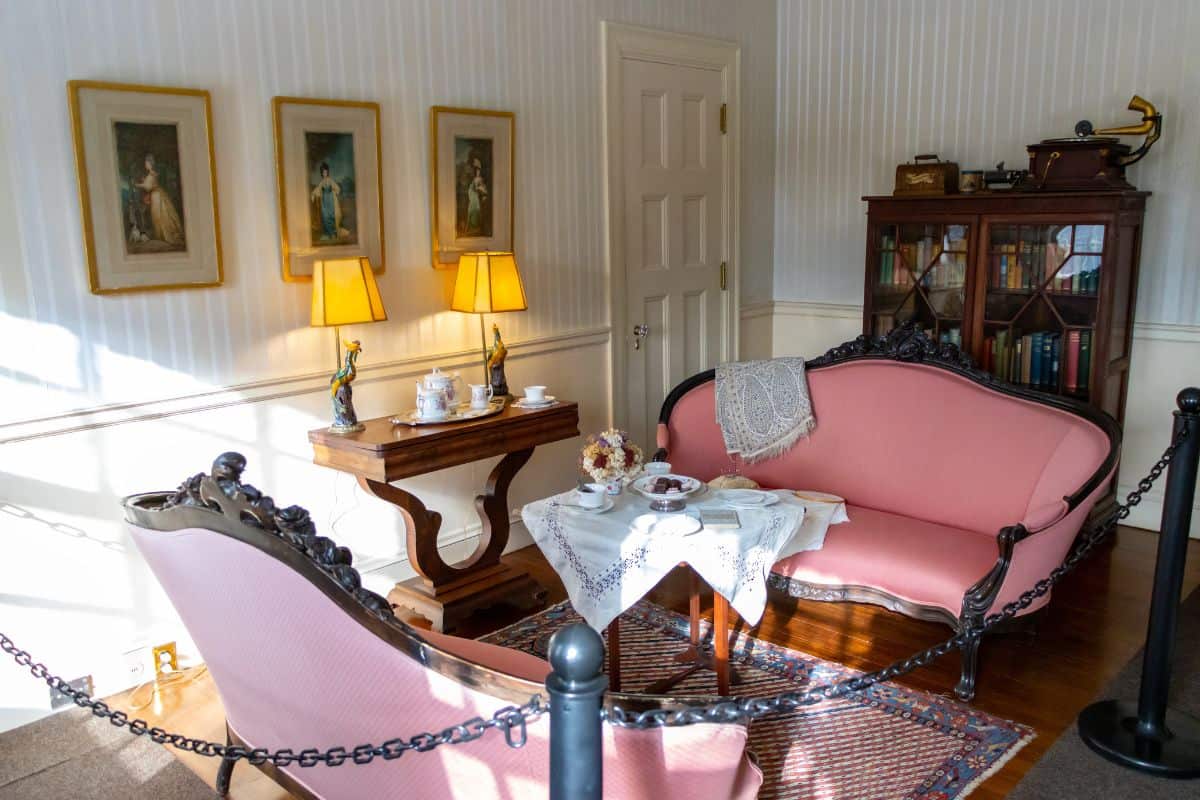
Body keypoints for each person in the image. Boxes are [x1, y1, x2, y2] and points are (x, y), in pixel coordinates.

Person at [133, 154, 185, 247]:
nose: (145, 165)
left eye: (146, 163)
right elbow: (149, 183)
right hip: (157, 194)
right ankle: (161, 235)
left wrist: (137, 185)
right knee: (158, 216)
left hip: (156, 196)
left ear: (150, 163)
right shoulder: (151, 174)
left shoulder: (151, 174)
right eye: (145, 163)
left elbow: (148, 187)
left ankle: (165, 235)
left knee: (159, 215)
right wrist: (143, 182)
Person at [310, 162, 342, 241]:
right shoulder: (322, 182)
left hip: (331, 200)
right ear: (322, 173)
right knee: (325, 216)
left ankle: (333, 233)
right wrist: (313, 194)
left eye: (326, 172)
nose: (325, 173)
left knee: (331, 216)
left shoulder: (330, 180)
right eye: (323, 172)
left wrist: (335, 191)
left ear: (327, 172)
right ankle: (328, 233)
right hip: (324, 201)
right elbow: (318, 189)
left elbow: (337, 188)